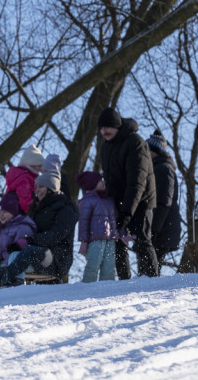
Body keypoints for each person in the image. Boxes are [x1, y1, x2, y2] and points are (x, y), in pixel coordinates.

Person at [97, 108, 158, 278]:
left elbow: (137, 181)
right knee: (117, 240)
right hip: (119, 200)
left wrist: (127, 212)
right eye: (102, 128)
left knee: (142, 241)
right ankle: (124, 281)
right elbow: (109, 177)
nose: (104, 131)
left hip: (141, 200)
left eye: (108, 127)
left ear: (117, 126)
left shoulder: (135, 142)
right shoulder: (106, 146)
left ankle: (152, 280)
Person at [0, 169, 79, 286]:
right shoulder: (37, 209)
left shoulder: (65, 209)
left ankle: (4, 278)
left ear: (51, 189)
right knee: (15, 252)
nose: (37, 190)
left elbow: (55, 235)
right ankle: (5, 279)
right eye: (36, 187)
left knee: (29, 251)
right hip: (38, 256)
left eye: (41, 187)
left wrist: (29, 241)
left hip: (57, 259)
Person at [146, 129, 182, 272]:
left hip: (163, 226)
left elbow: (163, 202)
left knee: (151, 267)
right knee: (151, 266)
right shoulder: (159, 168)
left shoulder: (163, 169)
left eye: (147, 151)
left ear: (155, 151)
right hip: (162, 225)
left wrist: (153, 229)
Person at [75, 171, 119, 283]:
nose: (102, 182)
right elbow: (83, 223)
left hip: (110, 239)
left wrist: (122, 234)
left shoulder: (109, 199)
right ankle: (86, 289)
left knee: (109, 268)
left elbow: (115, 219)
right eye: (99, 180)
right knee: (93, 266)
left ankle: (107, 292)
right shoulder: (87, 201)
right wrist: (84, 242)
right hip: (95, 240)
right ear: (92, 183)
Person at [5, 145, 45, 216]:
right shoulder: (25, 178)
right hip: (19, 213)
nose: (39, 170)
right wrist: (32, 211)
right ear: (32, 165)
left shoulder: (20, 176)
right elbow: (24, 198)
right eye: (39, 166)